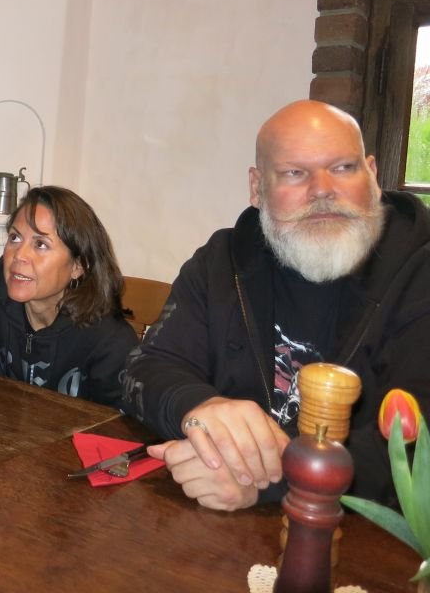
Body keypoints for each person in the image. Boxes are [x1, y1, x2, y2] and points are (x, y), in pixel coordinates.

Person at [123, 99, 430, 512]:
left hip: (366, 539)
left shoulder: (420, 272)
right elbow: (146, 368)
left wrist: (269, 479)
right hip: (218, 527)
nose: (322, 189)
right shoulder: (222, 262)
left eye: (343, 167)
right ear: (257, 187)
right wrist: (199, 407)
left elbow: (418, 446)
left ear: (372, 176)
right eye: (294, 173)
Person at [0, 186, 137, 407]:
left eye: (41, 244)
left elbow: (116, 426)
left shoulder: (110, 342)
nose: (19, 255)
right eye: (15, 237)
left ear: (78, 266)